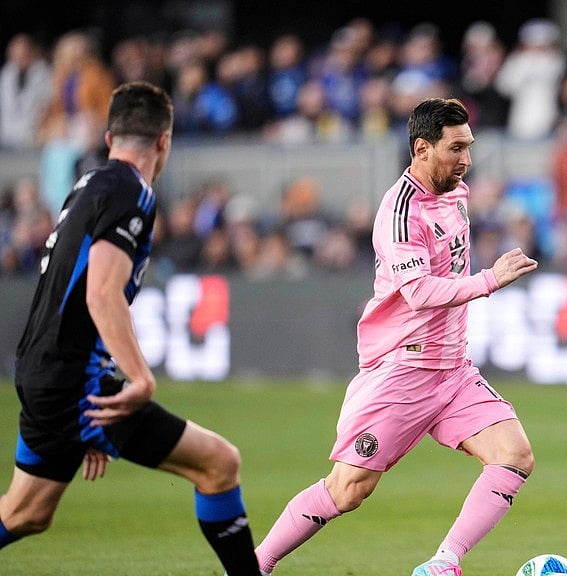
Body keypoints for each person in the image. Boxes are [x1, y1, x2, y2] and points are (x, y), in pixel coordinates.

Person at [254, 98, 538, 576]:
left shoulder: (457, 192)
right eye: (456, 148)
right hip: (402, 369)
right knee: (348, 489)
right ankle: (254, 566)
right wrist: (489, 280)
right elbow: (420, 292)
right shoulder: (400, 211)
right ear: (421, 148)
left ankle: (442, 565)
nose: (466, 159)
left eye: (469, 147)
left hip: (451, 369)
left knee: (514, 455)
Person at [0, 81, 261, 575]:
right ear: (164, 140)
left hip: (43, 370)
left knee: (26, 512)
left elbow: (70, 290)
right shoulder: (131, 192)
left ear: (108, 135)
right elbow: (101, 292)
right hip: (75, 380)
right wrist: (137, 376)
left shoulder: (86, 186)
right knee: (218, 464)